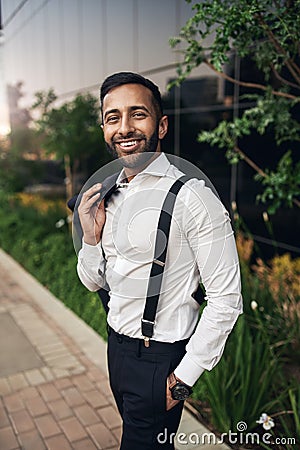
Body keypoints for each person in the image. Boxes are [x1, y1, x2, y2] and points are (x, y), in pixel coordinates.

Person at [76, 72, 243, 450]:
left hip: (159, 361)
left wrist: (182, 379)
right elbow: (92, 282)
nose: (125, 127)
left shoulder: (193, 198)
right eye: (113, 117)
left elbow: (227, 299)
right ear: (104, 127)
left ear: (161, 125)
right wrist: (90, 237)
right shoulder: (108, 194)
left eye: (138, 114)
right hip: (117, 350)